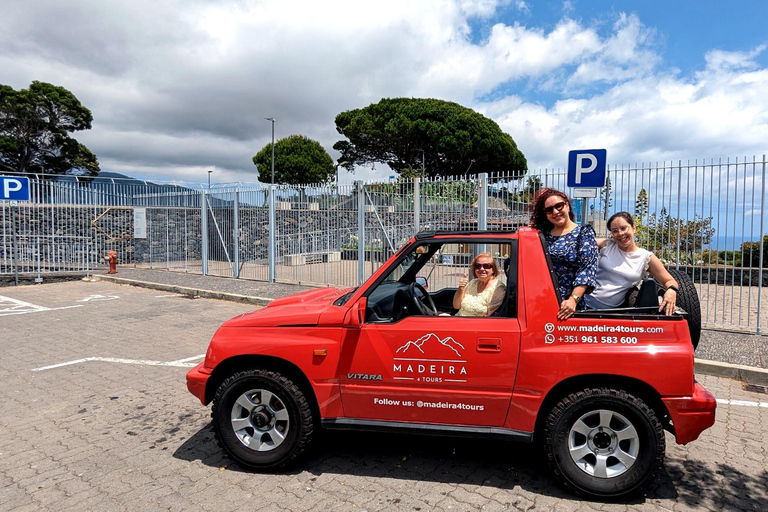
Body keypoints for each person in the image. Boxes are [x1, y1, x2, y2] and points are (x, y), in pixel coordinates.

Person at [583, 212, 680, 315]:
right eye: (615, 231)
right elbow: (579, 242)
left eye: (624, 228)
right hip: (583, 305)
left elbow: (669, 280)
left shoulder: (646, 257)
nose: (620, 233)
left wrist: (671, 290)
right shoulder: (607, 245)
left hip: (613, 312)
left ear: (633, 228)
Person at [530, 188, 598, 320]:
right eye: (549, 210)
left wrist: (573, 299)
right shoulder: (541, 235)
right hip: (540, 302)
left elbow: (586, 270)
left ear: (567, 205)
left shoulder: (583, 233)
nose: (555, 212)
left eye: (558, 206)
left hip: (568, 307)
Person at [453, 252, 506, 317]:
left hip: (476, 325)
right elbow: (456, 306)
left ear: (493, 269)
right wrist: (461, 288)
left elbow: (491, 317)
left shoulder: (498, 288)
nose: (481, 269)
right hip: (458, 319)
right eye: (478, 266)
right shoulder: (473, 282)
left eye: (486, 266)